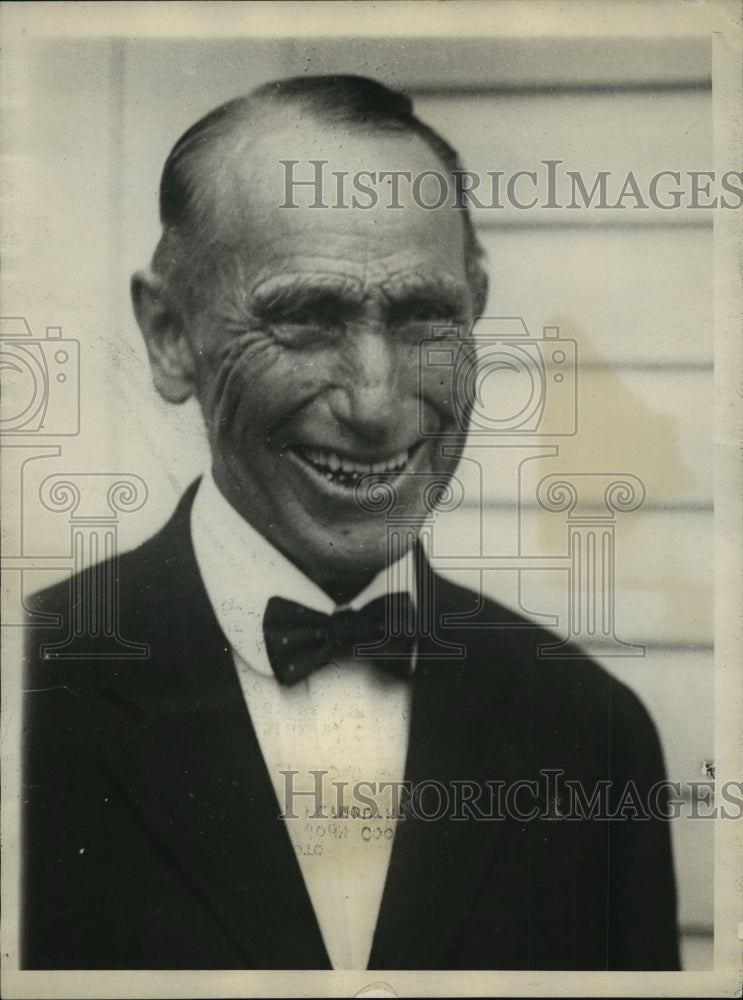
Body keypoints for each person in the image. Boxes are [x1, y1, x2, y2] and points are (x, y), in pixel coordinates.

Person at [21, 75, 680, 971]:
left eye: (422, 317)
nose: (375, 401)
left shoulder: (592, 732)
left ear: (475, 309)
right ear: (170, 336)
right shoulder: (30, 694)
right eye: (303, 318)